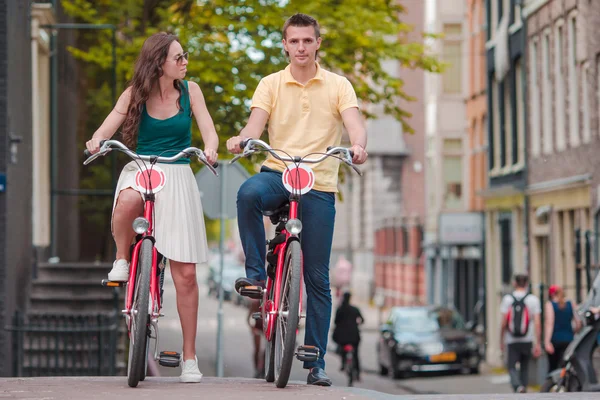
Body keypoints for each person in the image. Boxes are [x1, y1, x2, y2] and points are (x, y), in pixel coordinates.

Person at [226, 13, 368, 386]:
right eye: (295, 41)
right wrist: (242, 139)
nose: (301, 47)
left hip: (319, 182)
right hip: (278, 172)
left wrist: (357, 146)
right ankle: (257, 275)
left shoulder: (339, 85)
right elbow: (255, 125)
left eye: (308, 41)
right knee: (247, 195)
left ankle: (315, 361)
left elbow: (355, 124)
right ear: (285, 45)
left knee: (317, 278)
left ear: (318, 43)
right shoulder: (270, 84)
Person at [85, 32, 219, 383]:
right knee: (126, 199)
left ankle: (189, 358)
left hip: (177, 173)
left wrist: (211, 149)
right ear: (159, 62)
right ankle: (122, 258)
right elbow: (109, 124)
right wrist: (97, 140)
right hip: (143, 166)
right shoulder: (134, 94)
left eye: (184, 55)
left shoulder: (191, 91)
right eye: (178, 57)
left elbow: (208, 130)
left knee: (186, 276)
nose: (184, 61)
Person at [500, 274, 542, 393]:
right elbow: (538, 323)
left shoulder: (507, 299)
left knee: (511, 366)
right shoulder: (533, 300)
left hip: (511, 339)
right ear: (527, 284)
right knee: (525, 366)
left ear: (514, 283)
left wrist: (501, 340)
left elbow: (503, 323)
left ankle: (517, 386)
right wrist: (538, 343)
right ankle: (523, 389)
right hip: (527, 339)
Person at [544, 285, 581, 372]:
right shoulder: (570, 304)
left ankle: (554, 384)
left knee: (553, 367)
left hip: (555, 340)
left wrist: (547, 342)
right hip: (569, 339)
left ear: (551, 294)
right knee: (565, 367)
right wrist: (573, 332)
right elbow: (578, 323)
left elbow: (549, 323)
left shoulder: (550, 305)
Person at [332, 292, 364, 381]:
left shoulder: (340, 309)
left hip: (342, 336)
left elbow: (335, 321)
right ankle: (357, 373)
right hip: (354, 335)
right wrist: (357, 323)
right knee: (356, 354)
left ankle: (343, 363)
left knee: (341, 348)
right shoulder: (355, 309)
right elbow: (362, 320)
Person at [247, 299, 265, 378]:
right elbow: (248, 319)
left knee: (266, 351)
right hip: (257, 328)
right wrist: (252, 329)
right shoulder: (255, 304)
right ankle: (256, 369)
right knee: (257, 349)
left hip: (266, 329)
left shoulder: (269, 303)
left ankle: (263, 369)